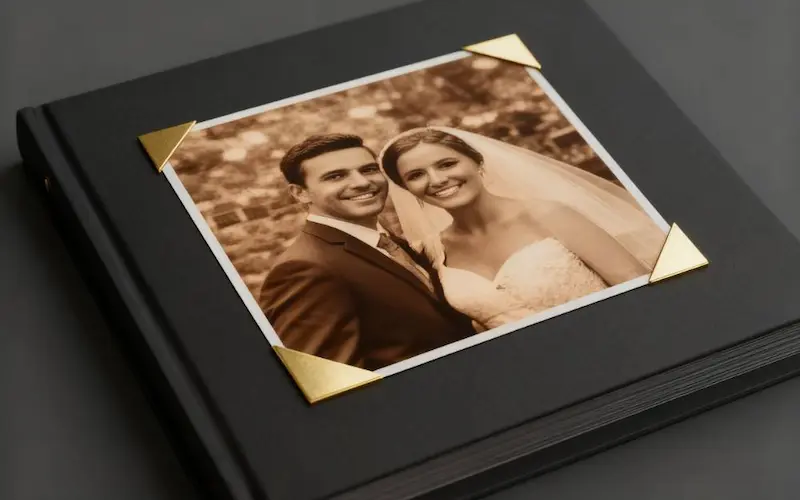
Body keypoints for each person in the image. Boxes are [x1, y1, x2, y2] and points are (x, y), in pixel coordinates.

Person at [379, 127, 667, 330]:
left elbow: (637, 287)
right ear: (407, 189)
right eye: (416, 175)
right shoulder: (431, 252)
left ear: (477, 163)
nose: (437, 179)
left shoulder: (550, 213)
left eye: (447, 164)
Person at [259, 133, 475, 370]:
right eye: (336, 176)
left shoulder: (394, 244)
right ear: (300, 193)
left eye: (369, 170)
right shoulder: (304, 268)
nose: (361, 182)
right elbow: (331, 380)